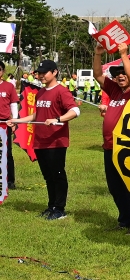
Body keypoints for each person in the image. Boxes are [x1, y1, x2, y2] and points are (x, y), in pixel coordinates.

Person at [7, 60, 80, 220]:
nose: (40, 76)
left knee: (57, 174)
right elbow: (36, 115)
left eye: (44, 73)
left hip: (56, 142)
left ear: (54, 72)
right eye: (39, 73)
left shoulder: (62, 91)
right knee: (48, 176)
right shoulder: (40, 92)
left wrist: (58, 118)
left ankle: (60, 209)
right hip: (40, 141)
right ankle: (51, 205)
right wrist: (17, 120)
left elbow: (75, 110)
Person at [92, 43, 130, 234]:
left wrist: (124, 54)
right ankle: (124, 220)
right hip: (110, 146)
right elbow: (98, 75)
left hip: (129, 146)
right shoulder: (115, 89)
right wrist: (98, 54)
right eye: (118, 73)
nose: (121, 75)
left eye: (124, 71)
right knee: (115, 187)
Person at [0, 63, 19, 190]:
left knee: (7, 153)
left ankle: (10, 180)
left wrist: (15, 120)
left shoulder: (9, 86)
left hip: (4, 123)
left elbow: (13, 104)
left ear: (3, 71)